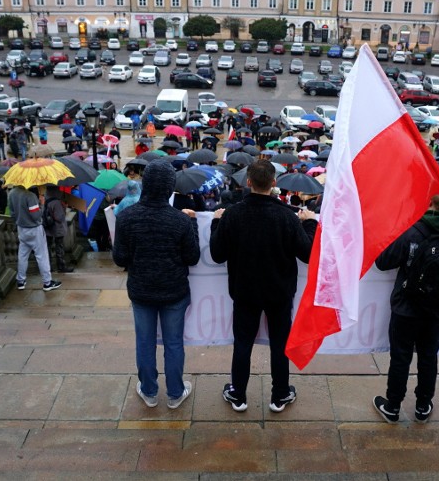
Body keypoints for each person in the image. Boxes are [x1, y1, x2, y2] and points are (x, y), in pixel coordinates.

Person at [209, 161, 318, 413]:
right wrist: (310, 223)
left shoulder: (234, 214)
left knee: (243, 343)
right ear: (274, 183)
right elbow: (308, 254)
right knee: (280, 344)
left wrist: (216, 223)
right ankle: (279, 394)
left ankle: (238, 394)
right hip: (278, 292)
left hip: (245, 291)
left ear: (248, 182)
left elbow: (216, 254)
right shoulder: (286, 217)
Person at [372, 189, 439, 424]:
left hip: (406, 307)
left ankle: (393, 405)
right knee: (429, 356)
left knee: (400, 357)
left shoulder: (411, 232)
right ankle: (423, 405)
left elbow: (382, 262)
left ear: (426, 202)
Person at [112, 161, 200, 410]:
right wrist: (191, 224)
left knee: (145, 341)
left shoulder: (127, 217)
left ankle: (149, 391)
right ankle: (175, 393)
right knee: (173, 343)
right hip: (174, 291)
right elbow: (192, 258)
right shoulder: (179, 221)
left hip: (141, 290)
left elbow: (120, 258)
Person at [8, 185, 61, 293]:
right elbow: (36, 216)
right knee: (42, 256)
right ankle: (47, 282)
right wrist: (41, 204)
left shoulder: (12, 193)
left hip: (21, 228)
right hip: (34, 229)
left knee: (22, 255)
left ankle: (20, 281)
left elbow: (12, 213)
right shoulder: (30, 196)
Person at [43, 186, 73, 273]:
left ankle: (49, 267)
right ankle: (61, 266)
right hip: (57, 229)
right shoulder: (56, 202)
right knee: (59, 248)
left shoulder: (46, 200)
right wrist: (64, 208)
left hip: (48, 228)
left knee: (47, 248)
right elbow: (59, 217)